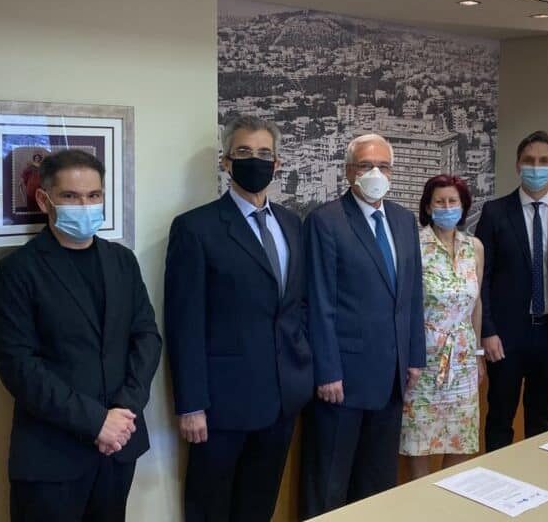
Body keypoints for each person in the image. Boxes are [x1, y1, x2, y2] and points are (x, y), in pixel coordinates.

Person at [0, 149, 162, 522]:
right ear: (44, 200)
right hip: (51, 457)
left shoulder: (122, 261)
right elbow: (19, 367)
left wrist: (124, 412)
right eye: (70, 196)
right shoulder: (17, 271)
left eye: (93, 195)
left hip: (119, 447)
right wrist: (96, 422)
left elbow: (147, 338)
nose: (85, 206)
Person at [164, 114, 313, 522]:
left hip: (282, 398)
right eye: (244, 152)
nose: (255, 160)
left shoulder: (291, 224)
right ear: (226, 161)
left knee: (259, 507)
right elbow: (184, 324)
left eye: (265, 153)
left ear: (277, 163)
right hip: (222, 405)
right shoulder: (196, 228)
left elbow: (296, 305)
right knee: (210, 509)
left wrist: (303, 369)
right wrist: (191, 405)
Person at [299, 133, 426, 518]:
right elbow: (318, 301)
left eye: (383, 166)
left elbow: (412, 295)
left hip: (391, 380)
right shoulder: (326, 221)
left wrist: (414, 357)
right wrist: (327, 371)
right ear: (348, 171)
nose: (376, 174)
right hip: (342, 381)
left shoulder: (404, 220)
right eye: (366, 165)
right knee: (329, 487)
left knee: (377, 485)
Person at [475, 130, 548, 450]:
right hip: (505, 337)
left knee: (541, 421)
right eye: (529, 161)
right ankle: (497, 479)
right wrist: (487, 331)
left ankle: (536, 478)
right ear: (518, 166)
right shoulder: (495, 212)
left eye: (543, 161)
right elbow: (481, 278)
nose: (536, 167)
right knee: (500, 418)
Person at [400, 175, 485, 478]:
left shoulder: (474, 247)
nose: (447, 207)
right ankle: (420, 500)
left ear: (463, 206)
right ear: (428, 206)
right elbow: (406, 305)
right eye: (440, 201)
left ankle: (445, 498)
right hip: (424, 357)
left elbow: (476, 303)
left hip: (462, 358)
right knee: (419, 440)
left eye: (453, 201)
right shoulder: (414, 245)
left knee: (461, 439)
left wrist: (478, 355)